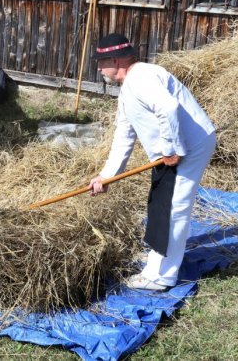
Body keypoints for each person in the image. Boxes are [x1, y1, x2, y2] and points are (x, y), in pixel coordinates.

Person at [88, 33, 216, 291]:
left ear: (116, 60)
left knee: (174, 207)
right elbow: (124, 135)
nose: (99, 68)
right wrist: (107, 176)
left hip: (189, 147)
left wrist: (171, 148)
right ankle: (156, 262)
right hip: (173, 151)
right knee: (160, 202)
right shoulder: (128, 89)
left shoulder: (141, 78)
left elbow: (168, 108)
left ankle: (161, 277)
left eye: (102, 62)